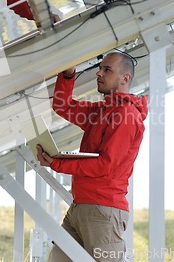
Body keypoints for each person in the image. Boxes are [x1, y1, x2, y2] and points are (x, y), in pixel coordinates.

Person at [36, 52, 148, 262]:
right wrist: (68, 76)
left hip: (103, 211)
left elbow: (106, 165)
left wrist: (58, 163)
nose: (99, 73)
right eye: (100, 68)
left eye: (107, 70)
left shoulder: (126, 115)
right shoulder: (102, 110)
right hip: (80, 207)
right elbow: (63, 106)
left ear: (125, 78)